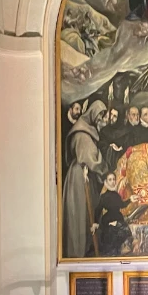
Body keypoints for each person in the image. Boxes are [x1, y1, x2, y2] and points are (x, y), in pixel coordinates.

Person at [62, 100, 109, 258]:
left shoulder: (86, 127)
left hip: (84, 173)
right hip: (79, 177)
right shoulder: (82, 133)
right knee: (80, 213)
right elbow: (92, 159)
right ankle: (79, 250)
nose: (101, 118)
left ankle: (86, 247)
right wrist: (106, 167)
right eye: (100, 114)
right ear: (93, 112)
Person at [91, 172, 136, 256]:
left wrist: (130, 199)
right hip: (108, 220)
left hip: (118, 217)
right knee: (114, 235)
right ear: (106, 182)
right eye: (110, 180)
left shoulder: (116, 195)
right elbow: (98, 210)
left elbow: (121, 205)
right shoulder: (104, 196)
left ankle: (121, 249)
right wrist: (95, 222)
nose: (112, 182)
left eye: (114, 179)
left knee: (125, 230)